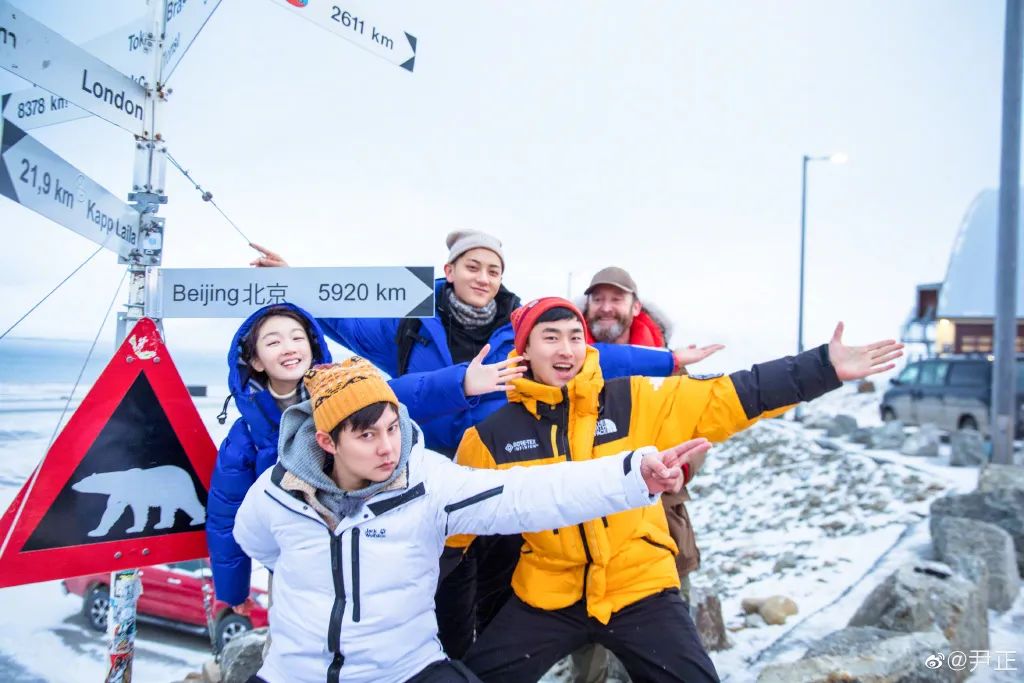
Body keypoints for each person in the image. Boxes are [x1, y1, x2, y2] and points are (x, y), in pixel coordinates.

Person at [249, 232, 715, 654]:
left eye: (493, 270)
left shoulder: (516, 328)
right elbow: (345, 322)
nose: (483, 278)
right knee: (441, 594)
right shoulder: (411, 323)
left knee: (499, 592)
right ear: (449, 270)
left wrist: (669, 359)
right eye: (472, 266)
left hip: (501, 481)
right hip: (425, 481)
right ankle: (442, 662)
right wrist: (295, 282)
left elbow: (596, 357)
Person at [452, 297, 903, 682]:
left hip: (640, 585)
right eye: (550, 337)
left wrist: (823, 367)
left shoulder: (634, 399)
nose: (566, 349)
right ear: (525, 349)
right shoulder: (491, 438)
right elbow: (454, 537)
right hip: (547, 592)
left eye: (575, 336)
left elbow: (732, 394)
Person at [232, 357, 710, 683]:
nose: (388, 448)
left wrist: (632, 475)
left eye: (393, 428)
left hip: (407, 671)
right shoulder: (277, 494)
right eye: (367, 436)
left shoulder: (427, 483)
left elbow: (528, 494)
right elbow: (255, 542)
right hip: (293, 674)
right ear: (327, 442)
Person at [206, 304, 512, 612]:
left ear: (313, 346)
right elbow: (226, 514)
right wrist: (233, 590)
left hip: (368, 554)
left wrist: (463, 382)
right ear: (255, 360)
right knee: (294, 633)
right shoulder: (247, 436)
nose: (289, 348)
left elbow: (410, 392)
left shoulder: (350, 398)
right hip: (296, 569)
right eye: (273, 342)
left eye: (297, 338)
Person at [574, 266, 724, 681]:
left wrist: (682, 469)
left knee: (667, 651)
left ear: (635, 306)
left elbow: (698, 431)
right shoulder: (567, 359)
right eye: (598, 299)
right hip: (583, 524)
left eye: (616, 298)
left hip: (660, 522)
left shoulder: (670, 364)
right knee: (587, 656)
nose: (606, 307)